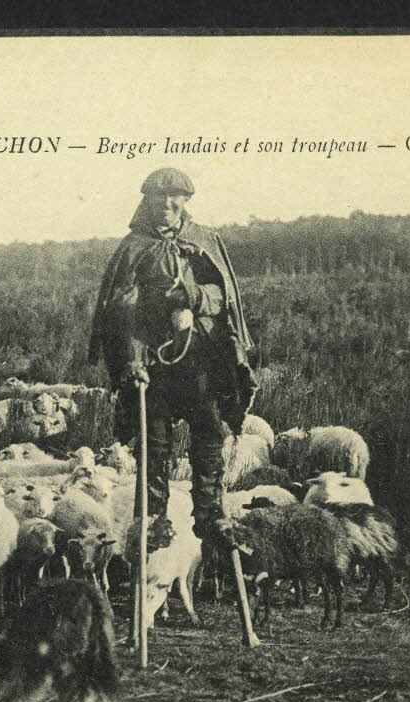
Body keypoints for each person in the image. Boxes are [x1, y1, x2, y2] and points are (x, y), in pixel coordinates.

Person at [88, 167, 257, 555]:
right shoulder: (134, 247)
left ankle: (211, 513)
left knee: (211, 435)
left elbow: (225, 297)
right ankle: (153, 519)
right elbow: (123, 310)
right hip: (156, 367)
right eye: (159, 197)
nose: (167, 203)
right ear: (146, 201)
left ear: (186, 201)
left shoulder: (205, 240)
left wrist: (192, 299)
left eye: (176, 197)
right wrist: (132, 361)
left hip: (202, 361)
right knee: (155, 444)